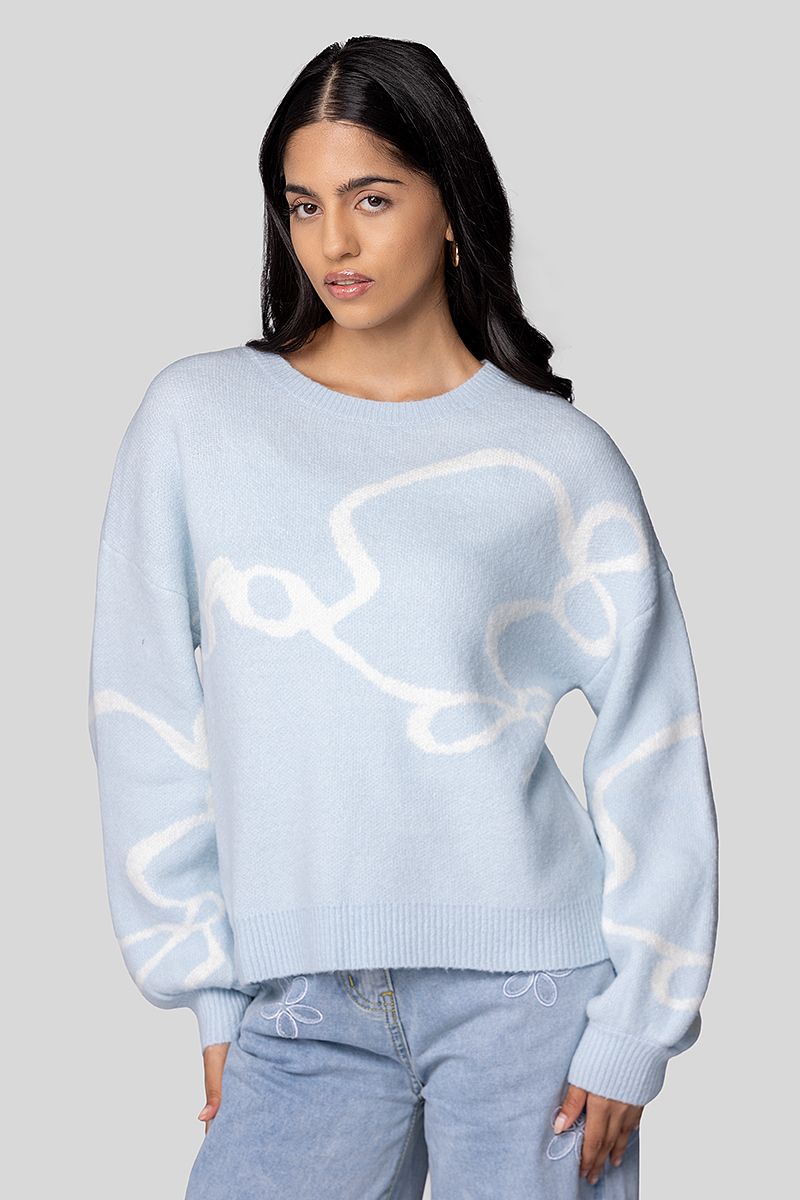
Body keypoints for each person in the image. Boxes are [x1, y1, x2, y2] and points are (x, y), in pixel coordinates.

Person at [87, 34, 719, 1199]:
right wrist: (207, 983)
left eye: (371, 198)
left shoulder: (554, 456)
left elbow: (654, 739)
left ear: (449, 208)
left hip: (532, 1004)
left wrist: (636, 1024)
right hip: (298, 999)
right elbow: (143, 708)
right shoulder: (198, 418)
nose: (333, 241)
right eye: (303, 204)